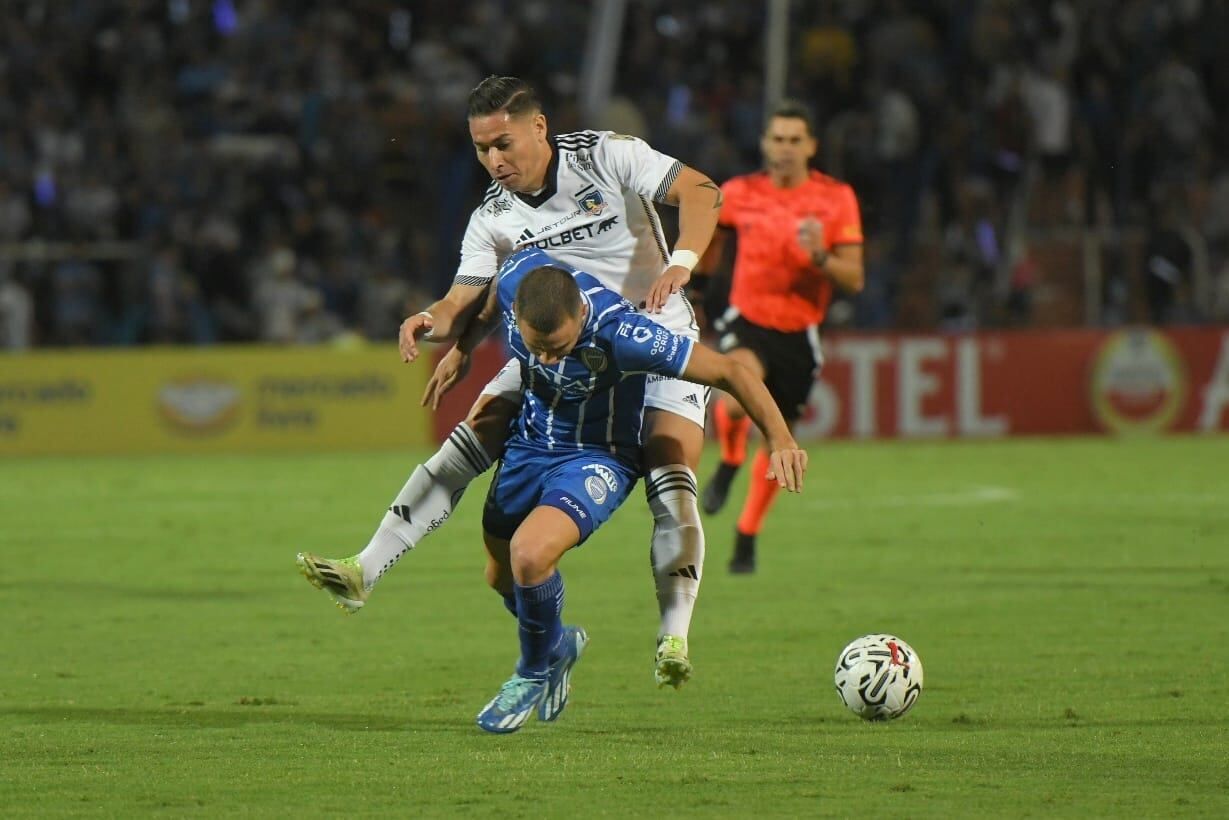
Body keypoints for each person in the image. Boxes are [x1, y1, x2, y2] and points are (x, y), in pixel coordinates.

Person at [297, 76, 723, 688]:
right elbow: (463, 296)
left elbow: (702, 191)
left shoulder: (606, 155)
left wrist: (681, 265)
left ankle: (673, 636)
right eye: (481, 149)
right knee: (470, 446)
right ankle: (366, 569)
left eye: (504, 143)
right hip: (556, 349)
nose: (495, 160)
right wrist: (434, 321)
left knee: (671, 476)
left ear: (539, 127)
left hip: (650, 346)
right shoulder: (492, 218)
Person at [461, 247, 807, 732]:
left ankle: (532, 670)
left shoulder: (627, 336)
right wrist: (459, 348)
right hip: (532, 447)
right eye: (537, 348)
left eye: (559, 347)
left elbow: (731, 372)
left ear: (580, 313)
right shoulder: (517, 277)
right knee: (499, 575)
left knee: (529, 555)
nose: (547, 359)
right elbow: (484, 292)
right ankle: (557, 645)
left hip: (599, 456)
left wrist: (780, 439)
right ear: (516, 313)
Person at [697, 100, 864, 573]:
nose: (785, 148)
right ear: (765, 143)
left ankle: (747, 532)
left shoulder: (836, 198)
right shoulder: (739, 191)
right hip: (748, 321)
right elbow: (714, 238)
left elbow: (854, 278)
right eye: (778, 139)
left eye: (795, 140)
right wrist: (701, 286)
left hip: (799, 333)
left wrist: (820, 259)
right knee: (732, 398)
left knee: (779, 443)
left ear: (811, 146)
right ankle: (730, 460)